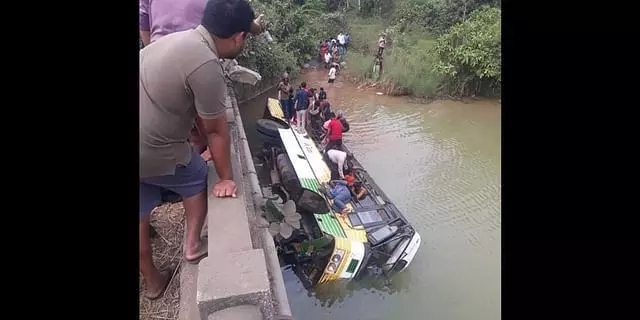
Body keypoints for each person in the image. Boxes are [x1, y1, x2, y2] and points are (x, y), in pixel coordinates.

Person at [139, 0, 263, 300]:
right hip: (150, 151)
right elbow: (215, 130)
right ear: (239, 37)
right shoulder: (206, 63)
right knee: (195, 175)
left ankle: (153, 281)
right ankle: (192, 246)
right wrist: (225, 177)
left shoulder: (172, 42)